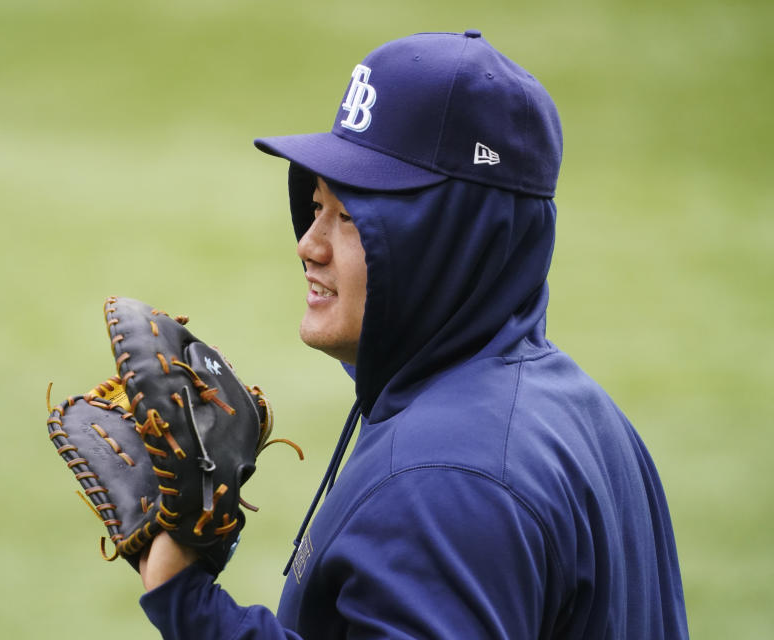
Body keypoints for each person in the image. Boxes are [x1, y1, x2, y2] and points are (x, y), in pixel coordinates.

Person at [137, 30, 689, 638]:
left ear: (451, 239)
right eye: (316, 206)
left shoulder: (446, 482)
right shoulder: (578, 413)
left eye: (350, 218)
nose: (308, 244)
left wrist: (192, 612)